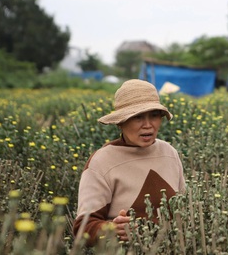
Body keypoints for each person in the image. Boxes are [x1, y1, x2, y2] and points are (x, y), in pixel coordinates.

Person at [72, 79, 186, 247]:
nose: (148, 125)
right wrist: (110, 229)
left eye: (154, 115)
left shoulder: (169, 153)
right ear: (121, 122)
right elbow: (83, 229)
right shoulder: (102, 161)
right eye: (137, 117)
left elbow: (184, 209)